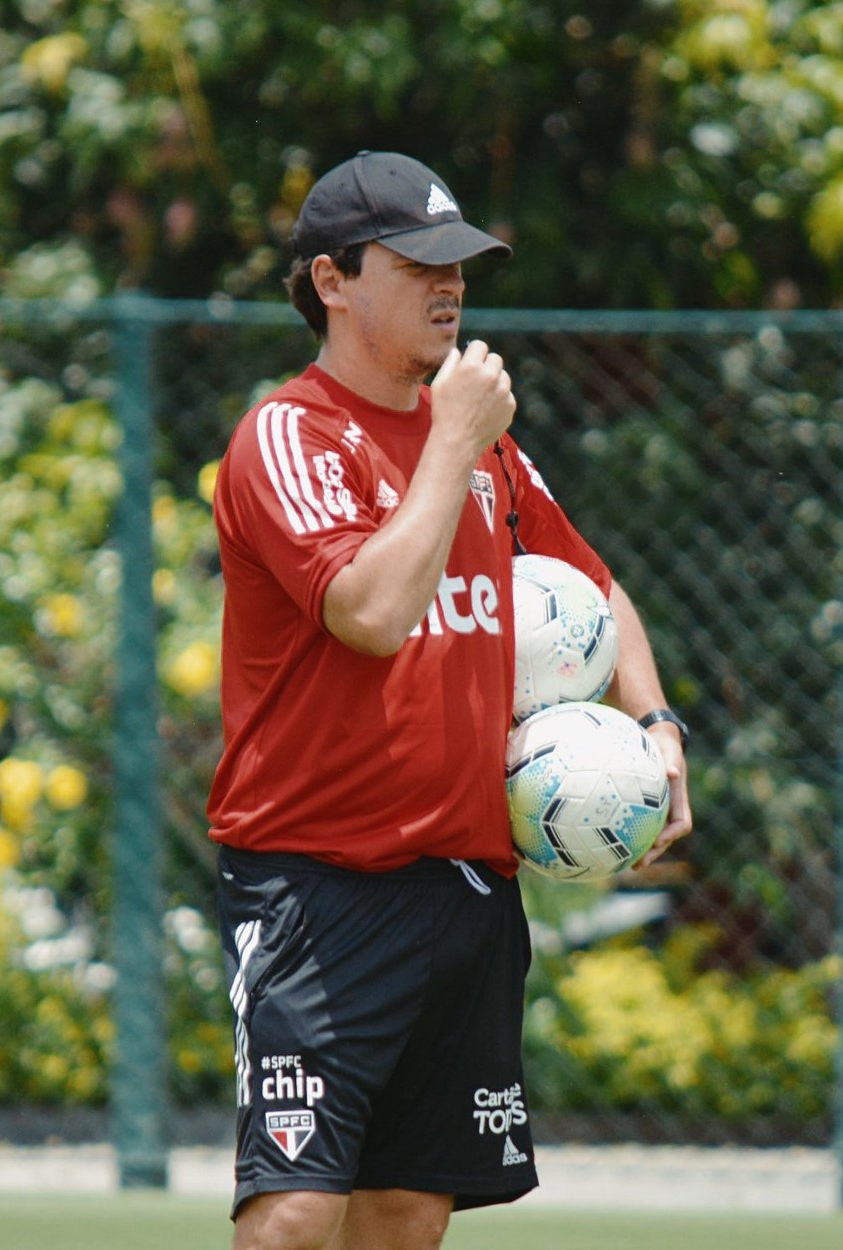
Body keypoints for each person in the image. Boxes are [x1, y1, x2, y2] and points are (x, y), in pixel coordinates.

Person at [207, 150, 692, 1250]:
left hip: (466, 882)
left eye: (461, 263)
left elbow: (598, 589)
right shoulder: (292, 434)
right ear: (331, 280)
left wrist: (658, 727)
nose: (450, 283)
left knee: (405, 1214)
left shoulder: (488, 456)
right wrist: (452, 441)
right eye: (417, 260)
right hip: (316, 886)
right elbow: (369, 611)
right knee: (292, 1212)